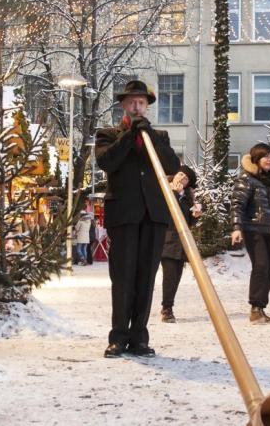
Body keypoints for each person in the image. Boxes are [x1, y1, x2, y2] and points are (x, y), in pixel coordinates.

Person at [94, 80, 180, 358]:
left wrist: (150, 137)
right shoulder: (108, 134)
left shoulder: (160, 136)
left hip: (153, 216)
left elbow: (171, 166)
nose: (137, 106)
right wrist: (129, 136)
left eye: (141, 102)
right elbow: (107, 162)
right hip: (124, 216)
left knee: (145, 278)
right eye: (132, 101)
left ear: (147, 106)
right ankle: (118, 337)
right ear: (123, 105)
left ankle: (139, 338)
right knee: (123, 277)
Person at [231, 143, 270, 324]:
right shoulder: (247, 178)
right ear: (256, 159)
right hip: (254, 228)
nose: (268, 159)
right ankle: (255, 308)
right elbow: (237, 204)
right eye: (264, 156)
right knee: (261, 265)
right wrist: (236, 228)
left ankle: (261, 308)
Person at [160, 165, 200, 323]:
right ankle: (166, 309)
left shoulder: (187, 197)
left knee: (176, 276)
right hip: (167, 240)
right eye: (181, 174)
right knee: (169, 276)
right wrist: (175, 194)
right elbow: (167, 212)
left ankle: (169, 305)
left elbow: (187, 222)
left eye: (186, 178)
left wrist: (195, 216)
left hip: (182, 242)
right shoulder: (165, 190)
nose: (182, 178)